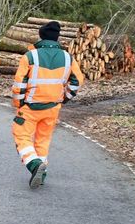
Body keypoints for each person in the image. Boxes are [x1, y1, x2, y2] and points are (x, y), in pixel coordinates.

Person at [10, 20, 85, 189]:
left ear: (41, 36)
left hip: (30, 107)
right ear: (57, 38)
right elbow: (77, 80)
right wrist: (65, 97)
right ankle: (41, 175)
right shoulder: (68, 58)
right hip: (52, 108)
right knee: (43, 140)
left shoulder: (30, 56)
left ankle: (34, 165)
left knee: (21, 135)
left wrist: (19, 103)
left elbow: (19, 84)